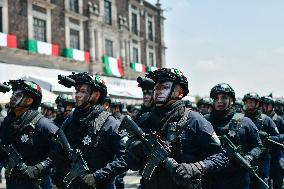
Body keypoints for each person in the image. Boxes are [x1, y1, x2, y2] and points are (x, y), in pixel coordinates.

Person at [125, 68, 229, 189]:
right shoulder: (144, 119)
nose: (158, 91)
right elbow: (129, 156)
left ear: (180, 92)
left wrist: (197, 167)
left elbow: (222, 155)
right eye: (156, 88)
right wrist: (138, 147)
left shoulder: (195, 121)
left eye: (164, 87)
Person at [53, 72, 127, 189]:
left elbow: (125, 158)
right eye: (77, 91)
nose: (77, 95)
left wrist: (98, 176)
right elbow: (57, 151)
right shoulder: (70, 120)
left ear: (96, 95)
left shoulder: (111, 123)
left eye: (82, 91)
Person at [0, 79, 58, 189]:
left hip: (37, 184)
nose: (12, 97)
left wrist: (40, 167)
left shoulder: (43, 124)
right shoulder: (7, 123)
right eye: (13, 94)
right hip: (13, 183)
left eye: (18, 95)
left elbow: (63, 151)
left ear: (29, 100)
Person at [205, 83, 262, 189]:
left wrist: (249, 157)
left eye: (224, 97)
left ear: (231, 100)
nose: (220, 101)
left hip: (237, 177)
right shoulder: (204, 121)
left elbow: (258, 146)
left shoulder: (245, 122)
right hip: (211, 176)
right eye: (216, 98)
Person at [242, 92, 279, 189]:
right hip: (244, 157)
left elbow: (279, 136)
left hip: (262, 158)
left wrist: (268, 137)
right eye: (247, 102)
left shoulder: (265, 119)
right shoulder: (239, 119)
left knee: (261, 183)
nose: (249, 105)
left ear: (258, 104)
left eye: (251, 102)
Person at [261, 96, 284, 189]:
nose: (264, 107)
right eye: (262, 105)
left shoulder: (279, 119)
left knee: (278, 180)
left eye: (267, 105)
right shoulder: (260, 119)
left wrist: (271, 138)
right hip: (263, 153)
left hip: (276, 153)